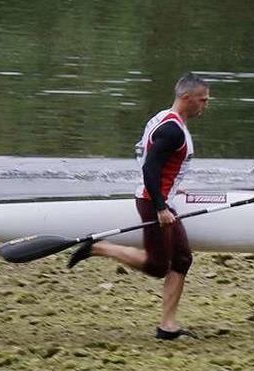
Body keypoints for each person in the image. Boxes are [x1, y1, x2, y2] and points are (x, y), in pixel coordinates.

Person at [66, 73, 210, 340]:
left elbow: (156, 163)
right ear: (186, 98)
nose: (205, 105)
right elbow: (150, 169)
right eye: (202, 100)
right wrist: (160, 207)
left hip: (162, 198)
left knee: (182, 259)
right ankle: (98, 247)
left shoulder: (165, 118)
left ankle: (168, 327)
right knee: (157, 266)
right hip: (152, 202)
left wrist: (174, 188)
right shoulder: (172, 130)